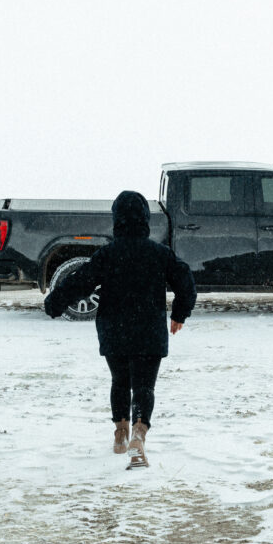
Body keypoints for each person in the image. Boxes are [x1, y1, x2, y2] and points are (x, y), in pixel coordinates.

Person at [43, 190, 196, 464]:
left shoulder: (107, 255)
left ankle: (120, 433)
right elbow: (185, 280)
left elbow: (80, 281)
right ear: (144, 220)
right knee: (144, 387)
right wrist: (180, 314)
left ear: (117, 220)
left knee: (120, 381)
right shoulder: (159, 253)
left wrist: (55, 303)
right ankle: (139, 433)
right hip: (149, 330)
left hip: (115, 331)